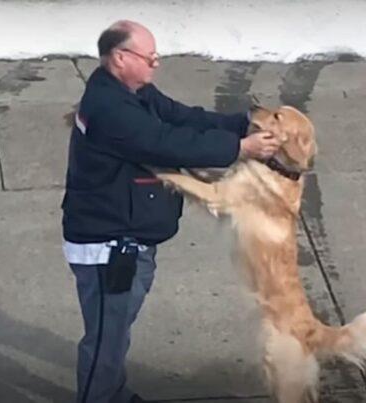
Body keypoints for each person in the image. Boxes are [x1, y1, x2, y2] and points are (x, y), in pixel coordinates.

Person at [61, 20, 281, 403]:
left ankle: (113, 394)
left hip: (126, 239)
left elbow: (183, 117)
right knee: (105, 340)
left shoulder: (133, 90)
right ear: (120, 58)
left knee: (115, 331)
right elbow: (168, 143)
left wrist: (242, 125)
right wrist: (240, 149)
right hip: (109, 248)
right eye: (150, 57)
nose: (156, 63)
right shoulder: (109, 108)